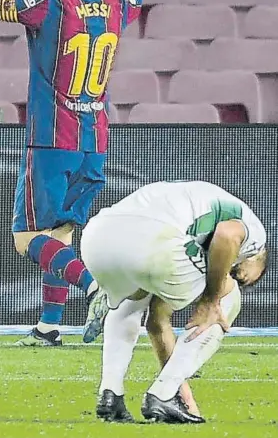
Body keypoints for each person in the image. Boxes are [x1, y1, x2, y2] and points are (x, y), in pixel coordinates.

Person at [0, 0, 142, 346]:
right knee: (61, 234)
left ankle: (95, 288)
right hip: (95, 143)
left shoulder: (48, 4)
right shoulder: (116, 5)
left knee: (26, 237)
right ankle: (49, 326)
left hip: (52, 142)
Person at [80, 180, 268, 423]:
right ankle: (163, 395)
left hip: (97, 239)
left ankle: (111, 394)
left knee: (132, 301)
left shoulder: (191, 201)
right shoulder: (256, 237)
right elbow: (227, 235)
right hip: (154, 244)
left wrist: (184, 396)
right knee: (228, 299)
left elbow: (157, 323)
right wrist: (211, 300)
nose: (232, 275)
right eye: (241, 276)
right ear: (261, 258)